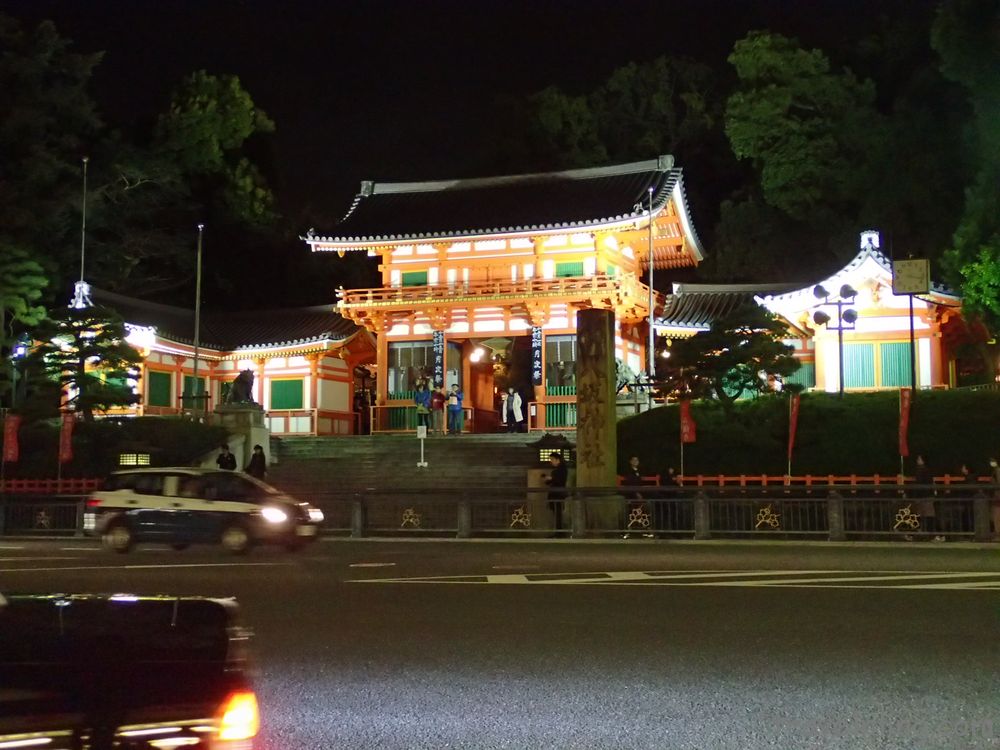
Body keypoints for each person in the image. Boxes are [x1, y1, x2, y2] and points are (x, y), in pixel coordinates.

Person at [913, 454, 942, 541]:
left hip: (923, 496)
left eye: (919, 459)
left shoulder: (921, 470)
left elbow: (919, 483)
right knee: (928, 515)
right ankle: (930, 534)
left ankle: (926, 534)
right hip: (928, 495)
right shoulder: (928, 470)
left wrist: (916, 495)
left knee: (923, 516)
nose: (917, 460)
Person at [545, 452, 568, 533]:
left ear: (557, 460)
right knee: (556, 514)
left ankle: (559, 532)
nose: (551, 461)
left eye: (552, 459)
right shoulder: (558, 469)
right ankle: (558, 531)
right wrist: (549, 479)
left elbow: (559, 481)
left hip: (557, 495)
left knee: (558, 514)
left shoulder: (562, 469)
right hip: (555, 494)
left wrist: (551, 479)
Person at [990, 458, 1000, 541]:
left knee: (996, 516)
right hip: (997, 496)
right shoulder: (995, 471)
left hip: (998, 497)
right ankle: (997, 534)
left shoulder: (997, 471)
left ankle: (998, 534)